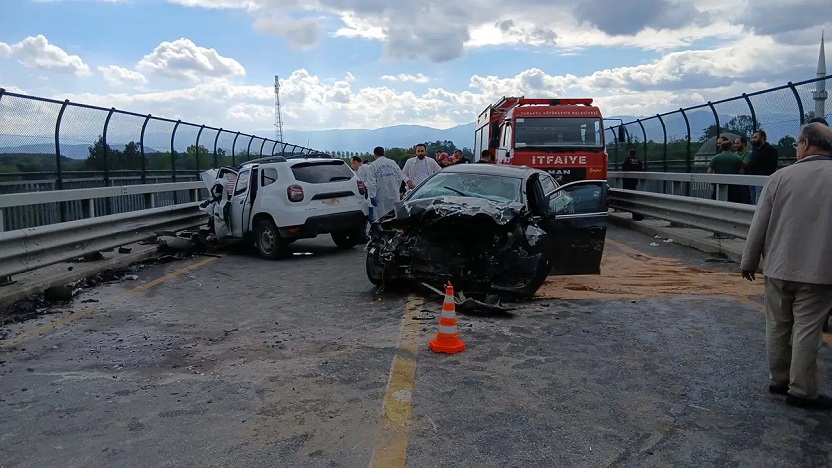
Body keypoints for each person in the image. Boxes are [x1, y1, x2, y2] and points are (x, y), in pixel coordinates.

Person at [740, 122, 832, 411]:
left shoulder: (780, 177)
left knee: (777, 325)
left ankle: (778, 380)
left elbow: (760, 224)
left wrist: (749, 261)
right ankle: (802, 390)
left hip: (778, 267)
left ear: (805, 144)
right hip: (820, 271)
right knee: (807, 328)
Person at [366, 146, 405, 222]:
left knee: (381, 218)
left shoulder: (373, 165)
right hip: (394, 194)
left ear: (375, 155)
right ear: (384, 153)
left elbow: (371, 182)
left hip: (380, 196)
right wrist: (397, 188)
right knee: (394, 216)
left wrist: (372, 196)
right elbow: (400, 177)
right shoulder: (392, 163)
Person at [746, 130, 779, 203]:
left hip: (762, 177)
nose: (753, 139)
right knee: (753, 196)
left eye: (755, 137)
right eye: (753, 137)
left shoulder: (771, 150)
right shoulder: (755, 149)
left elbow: (773, 165)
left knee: (759, 197)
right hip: (752, 176)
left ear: (762, 137)